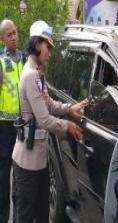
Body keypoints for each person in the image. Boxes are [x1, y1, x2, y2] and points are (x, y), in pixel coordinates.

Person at [11, 20, 88, 223]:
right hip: (27, 164)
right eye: (48, 47)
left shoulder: (36, 74)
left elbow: (49, 104)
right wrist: (68, 125)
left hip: (39, 161)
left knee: (43, 215)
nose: (50, 53)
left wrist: (69, 108)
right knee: (26, 217)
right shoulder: (29, 76)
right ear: (37, 45)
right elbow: (44, 120)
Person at [0, 19, 26, 223]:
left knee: (21, 176)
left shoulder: (25, 59)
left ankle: (19, 218)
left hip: (24, 126)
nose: (13, 37)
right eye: (8, 34)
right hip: (4, 127)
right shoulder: (0, 61)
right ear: (2, 39)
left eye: (14, 32)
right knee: (3, 177)